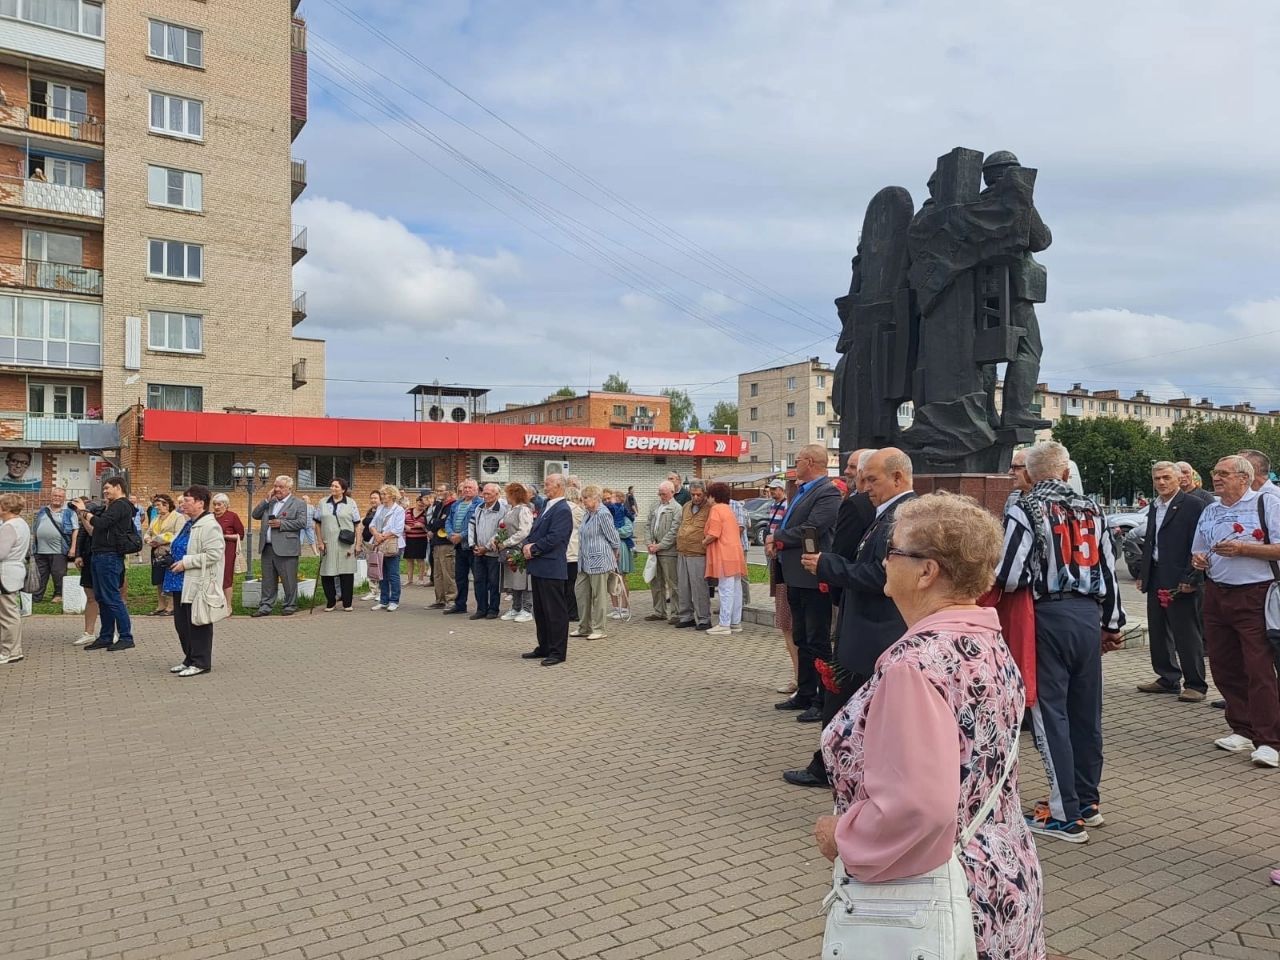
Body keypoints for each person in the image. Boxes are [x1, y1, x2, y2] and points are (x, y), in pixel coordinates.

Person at [815, 493, 1046, 960]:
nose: (883, 560)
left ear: (927, 571)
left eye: (892, 551)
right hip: (1002, 873)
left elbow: (917, 808)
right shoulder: (986, 639)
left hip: (938, 897)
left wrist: (843, 836)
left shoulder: (915, 665)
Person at [996, 440, 1126, 841]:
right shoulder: (1094, 508)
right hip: (1088, 616)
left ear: (1031, 475)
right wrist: (1112, 622)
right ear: (1067, 472)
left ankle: (1064, 814)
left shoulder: (1026, 506)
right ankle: (1087, 799)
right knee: (1086, 711)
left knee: (1049, 711)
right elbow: (1107, 567)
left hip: (1047, 616)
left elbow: (1011, 574)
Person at [787, 448, 910, 787]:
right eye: (861, 478)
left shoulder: (899, 517)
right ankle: (839, 766)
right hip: (865, 630)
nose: (864, 487)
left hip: (874, 633)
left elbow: (879, 576)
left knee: (852, 709)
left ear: (898, 478)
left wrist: (826, 565)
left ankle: (836, 769)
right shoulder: (884, 512)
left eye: (872, 479)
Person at [1191, 455, 1280, 769]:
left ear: (1244, 477)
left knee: (1259, 668)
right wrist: (1199, 560)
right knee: (1224, 664)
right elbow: (1198, 550)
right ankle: (1241, 728)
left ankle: (1270, 740)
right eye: (1215, 472)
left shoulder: (1267, 504)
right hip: (1217, 593)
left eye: (1224, 473)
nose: (1217, 478)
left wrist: (1245, 549)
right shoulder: (1211, 510)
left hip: (1255, 593)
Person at [769, 444, 842, 721]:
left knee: (817, 639)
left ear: (810, 462)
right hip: (795, 575)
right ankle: (805, 692)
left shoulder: (828, 492)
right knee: (800, 636)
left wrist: (778, 539)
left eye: (797, 460)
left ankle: (823, 700)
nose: (795, 464)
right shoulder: (802, 491)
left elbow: (813, 528)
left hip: (813, 577)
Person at [1135, 461, 1207, 701]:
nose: (1161, 483)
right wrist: (1144, 575)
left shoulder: (1193, 505)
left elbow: (1198, 545)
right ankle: (1168, 678)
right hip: (1156, 575)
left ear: (1179, 479)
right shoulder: (1155, 506)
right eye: (1157, 479)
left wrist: (1192, 577)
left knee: (1185, 631)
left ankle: (1195, 684)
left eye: (1166, 477)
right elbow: (1151, 543)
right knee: (1158, 629)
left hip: (1181, 577)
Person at [163, 485, 224, 677]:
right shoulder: (188, 523)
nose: (183, 504)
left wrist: (187, 562)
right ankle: (188, 658)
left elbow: (214, 554)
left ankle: (201, 661)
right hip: (179, 581)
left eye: (187, 501)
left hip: (196, 581)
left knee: (197, 622)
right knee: (182, 624)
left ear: (200, 503)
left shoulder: (209, 525)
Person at [78, 475, 138, 652]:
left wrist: (84, 512)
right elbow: (96, 528)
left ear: (119, 487)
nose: (105, 491)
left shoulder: (122, 505)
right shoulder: (111, 506)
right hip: (99, 554)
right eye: (104, 488)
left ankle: (126, 636)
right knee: (102, 598)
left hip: (109, 556)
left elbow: (102, 523)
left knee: (112, 597)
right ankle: (105, 636)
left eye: (108, 488)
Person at [521, 473, 574, 666]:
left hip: (551, 566)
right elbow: (535, 531)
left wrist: (533, 548)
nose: (545, 486)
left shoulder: (562, 509)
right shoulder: (546, 506)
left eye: (548, 484)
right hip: (539, 566)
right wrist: (527, 544)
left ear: (559, 486)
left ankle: (557, 651)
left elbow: (556, 538)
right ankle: (544, 646)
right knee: (541, 611)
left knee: (555, 612)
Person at [250, 475, 308, 618]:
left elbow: (302, 523)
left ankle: (290, 605)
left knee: (288, 579)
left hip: (286, 547)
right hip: (267, 547)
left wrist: (282, 524)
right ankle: (265, 606)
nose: (276, 489)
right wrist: (266, 500)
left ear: (289, 488)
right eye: (275, 486)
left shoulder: (298, 503)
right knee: (268, 579)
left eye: (280, 487)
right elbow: (255, 515)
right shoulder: (270, 502)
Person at [572, 485, 620, 641]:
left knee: (599, 596)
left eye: (586, 498)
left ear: (595, 498)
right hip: (585, 561)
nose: (583, 501)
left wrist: (614, 555)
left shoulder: (603, 514)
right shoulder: (587, 514)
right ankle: (584, 627)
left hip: (599, 560)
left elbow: (613, 537)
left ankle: (600, 628)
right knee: (581, 593)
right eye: (583, 498)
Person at [764, 478, 795, 693]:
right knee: (786, 626)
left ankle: (802, 680)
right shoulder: (774, 506)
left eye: (775, 489)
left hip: (795, 573)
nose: (773, 493)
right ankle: (799, 678)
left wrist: (776, 539)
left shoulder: (790, 505)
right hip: (781, 564)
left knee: (794, 628)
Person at [704, 482, 747, 636]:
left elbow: (714, 533)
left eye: (708, 496)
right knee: (736, 588)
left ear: (713, 496)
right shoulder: (728, 509)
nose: (707, 500)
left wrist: (703, 541)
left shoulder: (716, 509)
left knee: (725, 589)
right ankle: (735, 622)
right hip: (735, 552)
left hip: (723, 553)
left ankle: (724, 624)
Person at [315, 478, 361, 612]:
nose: (333, 488)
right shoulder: (323, 502)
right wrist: (319, 541)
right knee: (327, 573)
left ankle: (347, 603)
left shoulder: (351, 503)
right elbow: (317, 523)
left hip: (345, 543)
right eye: (332, 486)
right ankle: (330, 601)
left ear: (343, 489)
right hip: (328, 542)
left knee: (346, 573)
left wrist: (357, 544)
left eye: (336, 486)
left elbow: (357, 525)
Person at [674, 481, 712, 631]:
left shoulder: (710, 508)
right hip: (683, 551)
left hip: (698, 553)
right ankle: (686, 616)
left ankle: (703, 618)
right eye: (693, 494)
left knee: (699, 588)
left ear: (704, 493)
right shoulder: (686, 506)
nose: (696, 497)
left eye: (699, 494)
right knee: (683, 587)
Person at [469, 482, 509, 620]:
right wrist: (472, 544)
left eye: (488, 494)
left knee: (493, 582)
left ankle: (493, 609)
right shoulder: (479, 508)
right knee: (479, 581)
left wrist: (486, 547)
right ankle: (481, 609)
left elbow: (501, 531)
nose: (484, 496)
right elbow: (472, 526)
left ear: (497, 495)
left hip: (493, 552)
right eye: (483, 493)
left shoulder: (503, 510)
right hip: (478, 551)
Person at [31, 486, 78, 603]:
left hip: (59, 549)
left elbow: (75, 530)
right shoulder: (43, 510)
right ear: (50, 497)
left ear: (64, 498)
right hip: (40, 549)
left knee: (59, 573)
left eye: (60, 496)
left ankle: (58, 594)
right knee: (40, 574)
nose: (57, 498)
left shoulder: (69, 513)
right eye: (55, 495)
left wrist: (73, 548)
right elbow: (35, 527)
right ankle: (36, 596)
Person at [0, 492, 31, 665]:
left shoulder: (9, 526)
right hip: (14, 570)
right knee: (10, 612)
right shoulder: (21, 524)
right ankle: (13, 649)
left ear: (5, 507)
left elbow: (1, 552)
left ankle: (9, 650)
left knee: (7, 614)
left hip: (5, 572)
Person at [644, 481, 681, 623]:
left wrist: (660, 545)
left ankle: (677, 613)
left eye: (664, 494)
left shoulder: (677, 508)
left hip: (669, 552)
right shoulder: (655, 506)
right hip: (654, 551)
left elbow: (674, 531)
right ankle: (659, 611)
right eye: (659, 494)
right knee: (656, 582)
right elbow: (647, 525)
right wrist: (649, 543)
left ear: (672, 492)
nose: (661, 496)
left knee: (673, 583)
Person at [498, 482, 535, 622]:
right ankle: (516, 607)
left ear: (514, 494)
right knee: (513, 580)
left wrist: (507, 542)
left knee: (523, 580)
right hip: (509, 549)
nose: (505, 496)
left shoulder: (524, 510)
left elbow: (524, 531)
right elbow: (502, 528)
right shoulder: (510, 510)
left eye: (507, 493)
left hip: (519, 548)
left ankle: (527, 608)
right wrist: (497, 541)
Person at [443, 479, 479, 615]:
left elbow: (474, 524)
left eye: (470, 488)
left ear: (476, 490)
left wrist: (461, 535)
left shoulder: (479, 504)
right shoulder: (456, 504)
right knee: (460, 577)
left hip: (471, 545)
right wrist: (451, 534)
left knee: (477, 578)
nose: (467, 490)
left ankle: (481, 606)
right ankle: (460, 605)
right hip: (458, 546)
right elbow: (448, 521)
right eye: (465, 488)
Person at [144, 494, 183, 616]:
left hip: (169, 552)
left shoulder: (177, 517)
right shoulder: (156, 519)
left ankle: (171, 606)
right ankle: (161, 605)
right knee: (158, 579)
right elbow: (148, 532)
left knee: (169, 577)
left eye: (158, 505)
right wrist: (148, 539)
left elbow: (178, 534)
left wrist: (162, 540)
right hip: (156, 552)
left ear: (166, 505)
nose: (156, 508)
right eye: (155, 506)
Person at [369, 483, 405, 612]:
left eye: (384, 494)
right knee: (381, 573)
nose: (382, 496)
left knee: (393, 573)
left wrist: (382, 536)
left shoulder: (399, 510)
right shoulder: (380, 508)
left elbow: (398, 529)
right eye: (381, 494)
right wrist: (376, 534)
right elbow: (372, 524)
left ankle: (394, 600)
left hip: (392, 544)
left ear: (392, 495)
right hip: (379, 544)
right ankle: (383, 600)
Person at [211, 494, 244, 611]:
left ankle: (228, 605)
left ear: (225, 505)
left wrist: (225, 536)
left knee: (226, 577)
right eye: (214, 504)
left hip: (228, 550)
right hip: (212, 551)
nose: (216, 507)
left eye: (219, 504)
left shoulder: (232, 516)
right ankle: (216, 604)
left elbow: (241, 535)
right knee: (213, 576)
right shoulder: (210, 517)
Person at [427, 485, 456, 609]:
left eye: (441, 490)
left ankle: (451, 599)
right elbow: (431, 522)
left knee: (447, 572)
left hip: (446, 543)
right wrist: (433, 525)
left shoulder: (452, 505)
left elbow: (445, 522)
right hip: (436, 542)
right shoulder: (438, 505)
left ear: (448, 492)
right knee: (437, 573)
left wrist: (435, 524)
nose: (438, 493)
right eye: (437, 490)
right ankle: (440, 599)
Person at [403, 493, 432, 587]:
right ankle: (409, 579)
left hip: (421, 539)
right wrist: (405, 526)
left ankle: (420, 579)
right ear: (416, 502)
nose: (420, 504)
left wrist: (422, 526)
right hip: (409, 538)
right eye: (419, 501)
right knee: (409, 559)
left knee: (420, 559)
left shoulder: (426, 513)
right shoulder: (407, 511)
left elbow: (429, 528)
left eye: (422, 502)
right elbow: (400, 522)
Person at [359, 489, 382, 601]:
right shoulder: (370, 511)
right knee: (371, 567)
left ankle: (381, 591)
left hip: (377, 543)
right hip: (367, 543)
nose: (373, 500)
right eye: (371, 498)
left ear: (380, 499)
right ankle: (373, 590)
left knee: (379, 567)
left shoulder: (382, 511)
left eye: (375, 498)